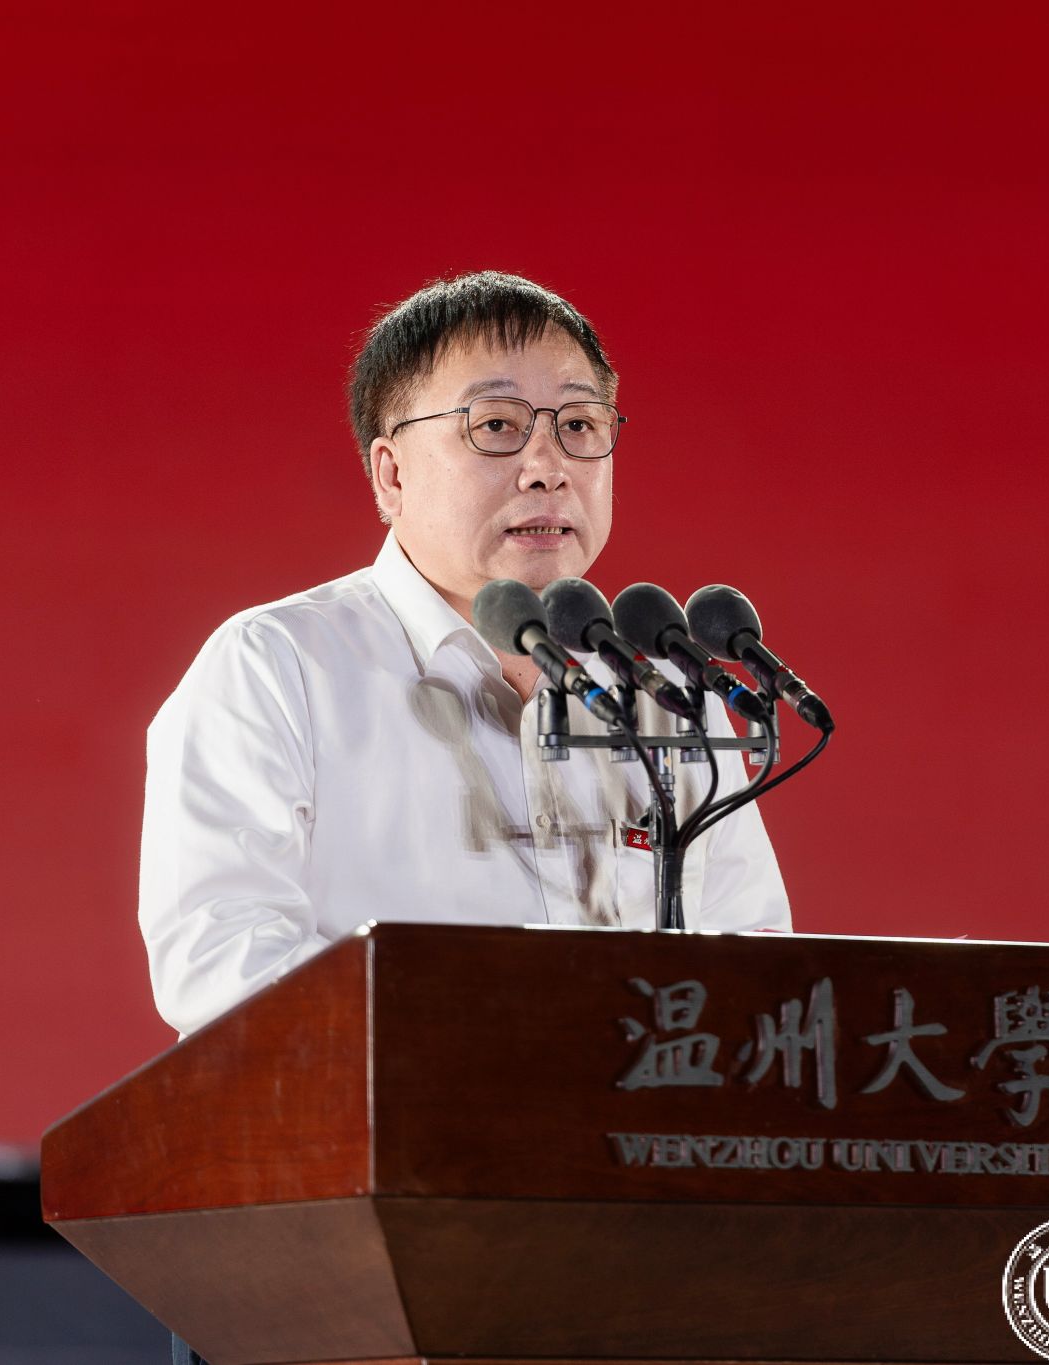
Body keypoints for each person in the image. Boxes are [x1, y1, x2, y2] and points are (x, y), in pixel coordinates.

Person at [142, 272, 793, 1360]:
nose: (546, 463)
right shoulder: (280, 666)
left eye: (579, 426)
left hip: (627, 1254)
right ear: (390, 473)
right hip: (352, 1248)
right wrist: (486, 1081)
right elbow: (222, 965)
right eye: (495, 426)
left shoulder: (666, 696)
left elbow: (754, 967)